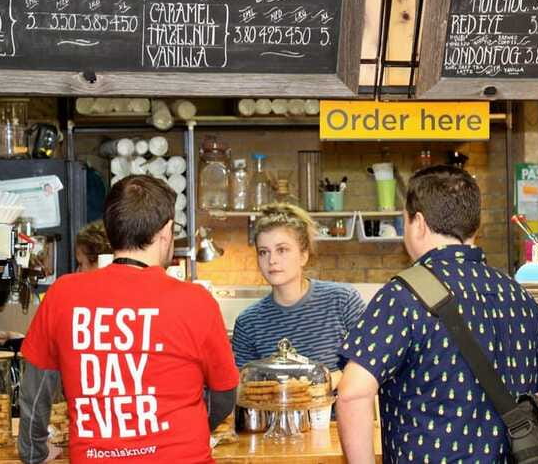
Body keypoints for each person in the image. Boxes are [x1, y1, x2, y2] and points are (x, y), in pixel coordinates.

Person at [336, 165, 538, 463]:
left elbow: (352, 394)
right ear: (475, 226)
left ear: (418, 223)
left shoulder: (403, 296)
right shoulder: (522, 297)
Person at [19, 175, 238, 464]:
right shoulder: (196, 301)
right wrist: (189, 429)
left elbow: (35, 393)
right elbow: (223, 394)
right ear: (167, 231)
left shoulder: (63, 295)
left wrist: (34, 453)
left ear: (110, 232)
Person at [231, 203, 365, 385]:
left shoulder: (342, 301)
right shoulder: (248, 323)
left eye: (282, 250)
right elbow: (245, 387)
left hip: (339, 412)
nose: (272, 260)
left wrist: (323, 383)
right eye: (263, 252)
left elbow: (371, 363)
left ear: (304, 255)